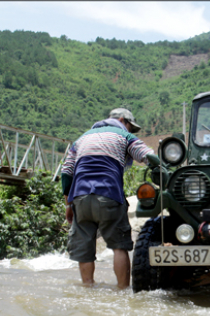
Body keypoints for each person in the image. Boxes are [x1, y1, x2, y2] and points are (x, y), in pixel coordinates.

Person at [61, 108, 159, 289]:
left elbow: (66, 172)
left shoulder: (81, 139)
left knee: (84, 251)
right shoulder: (124, 136)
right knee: (119, 247)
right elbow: (148, 156)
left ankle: (88, 289)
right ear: (122, 120)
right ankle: (122, 291)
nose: (130, 130)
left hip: (80, 198)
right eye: (130, 126)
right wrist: (162, 168)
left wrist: (69, 204)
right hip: (109, 195)